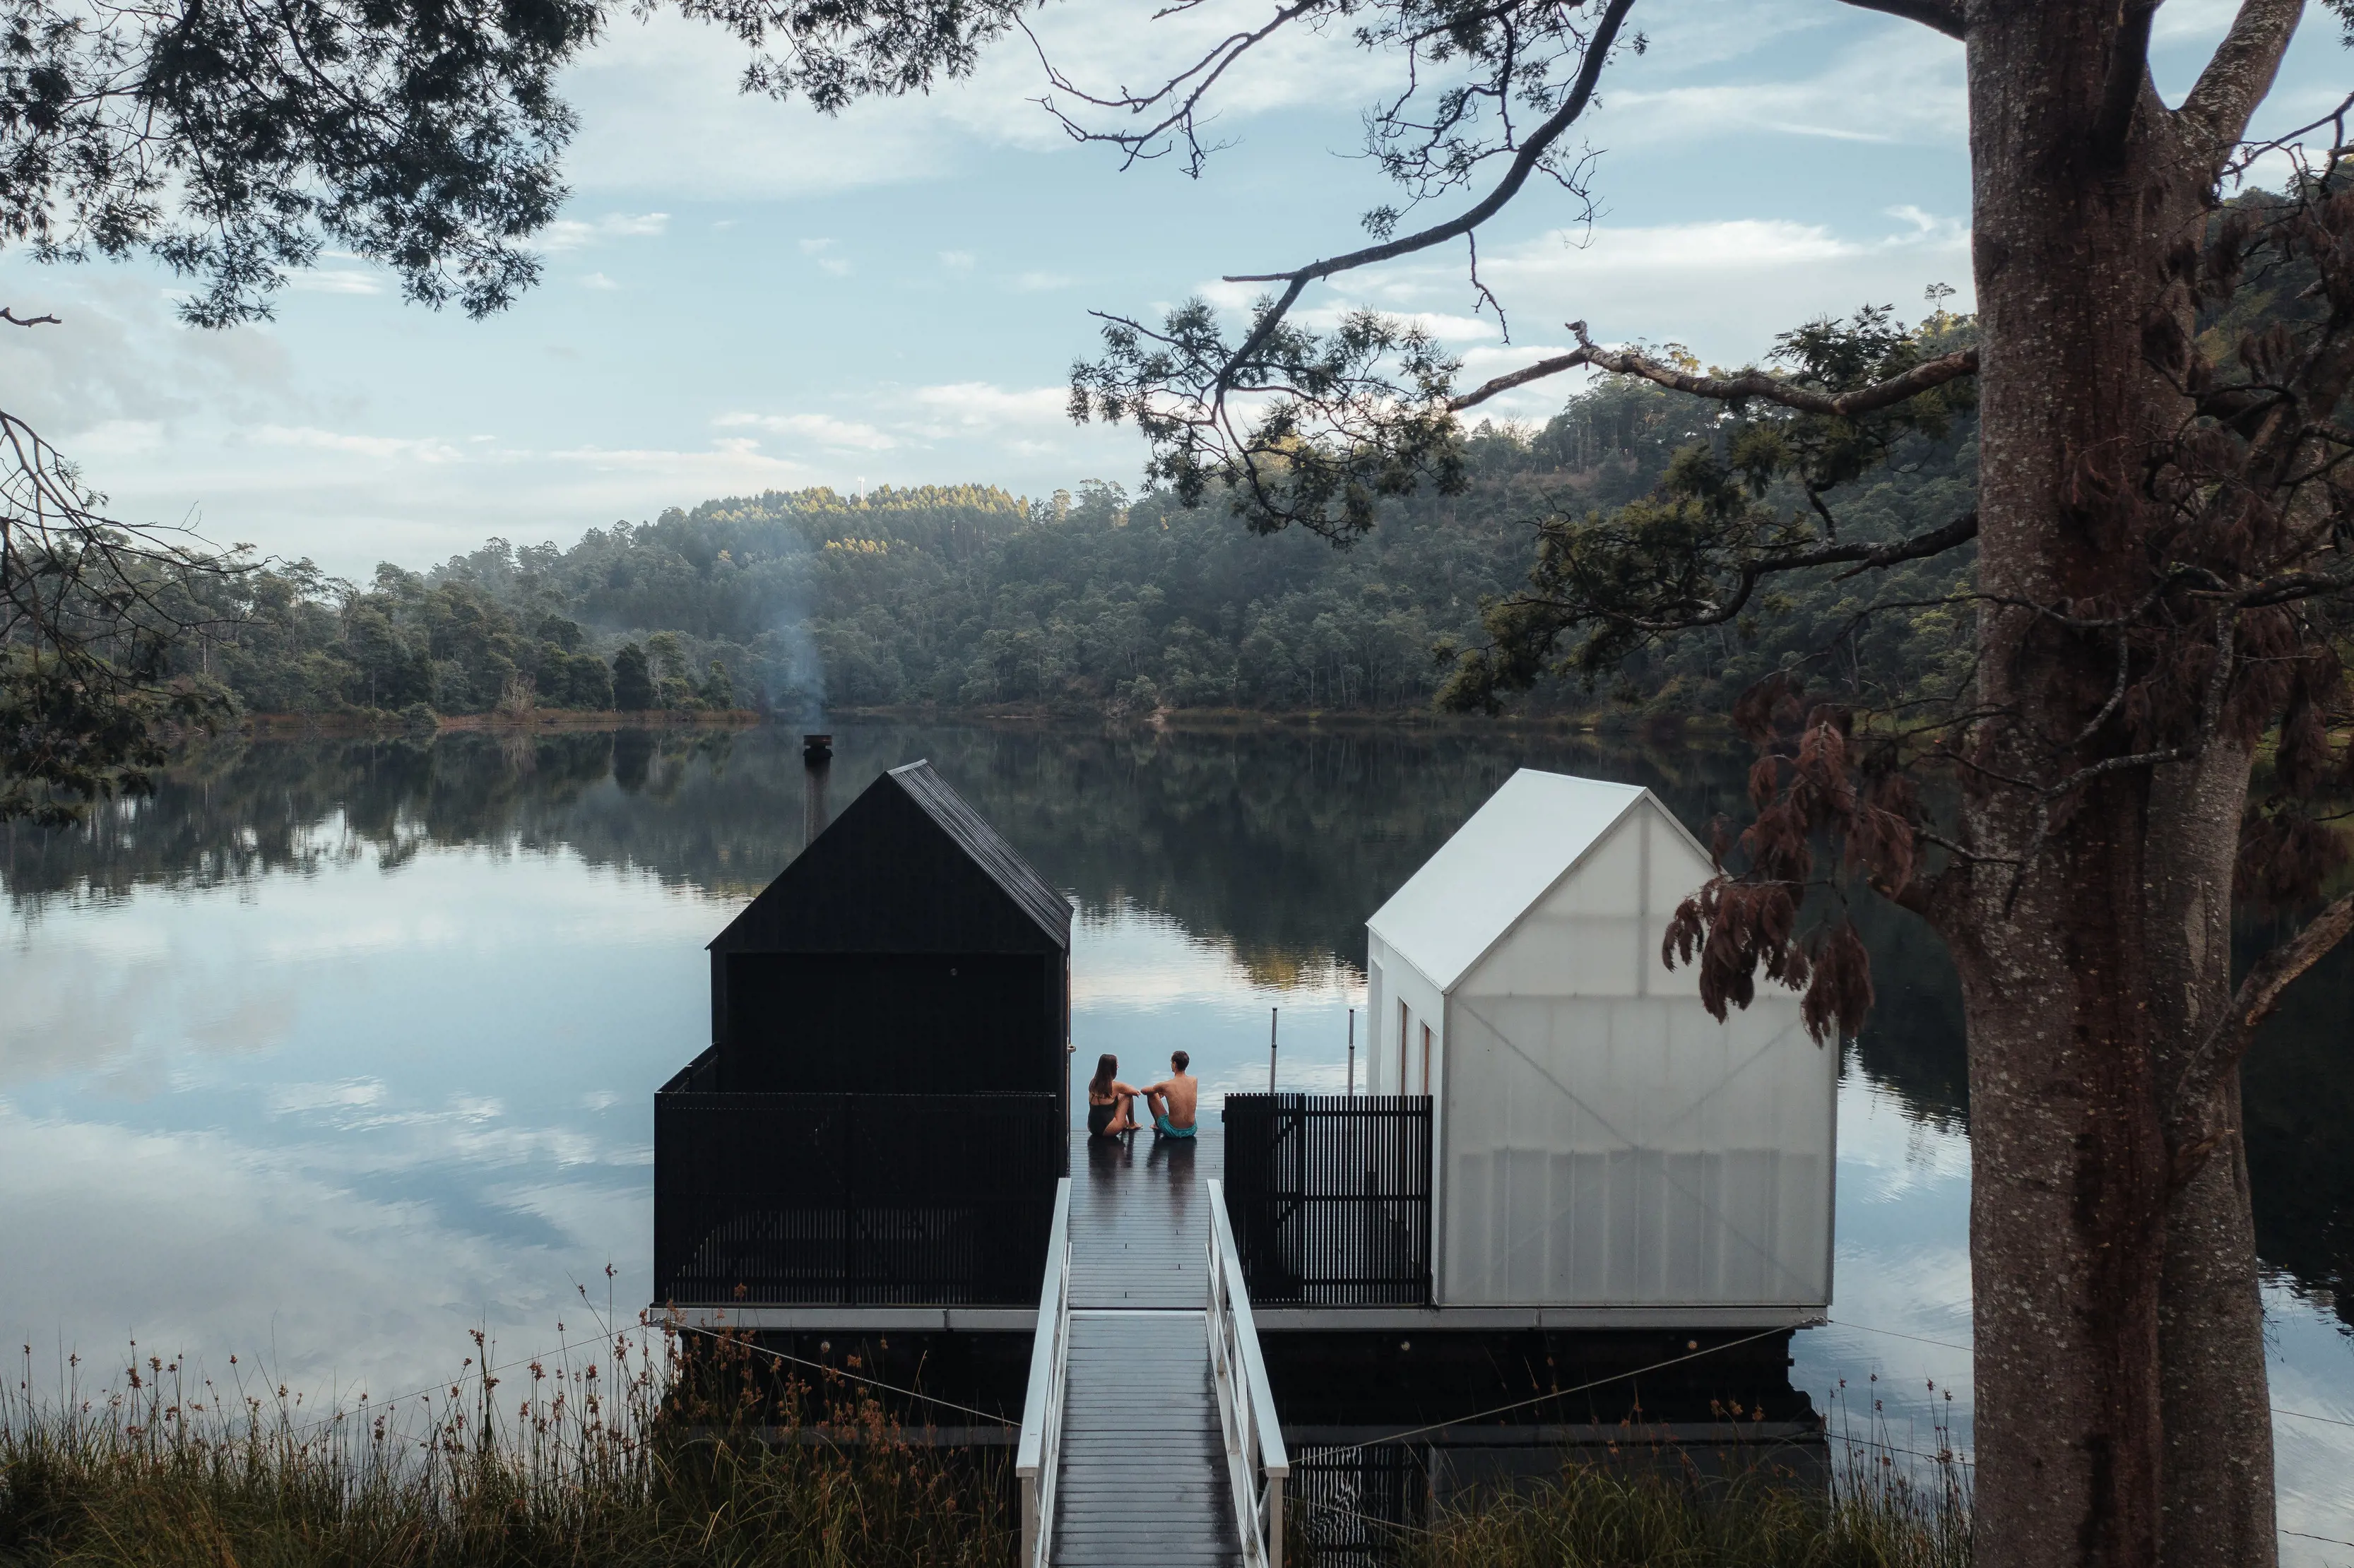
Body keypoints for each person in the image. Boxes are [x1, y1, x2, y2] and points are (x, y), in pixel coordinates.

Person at [1140, 1051, 1198, 1139]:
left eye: (1171, 1062)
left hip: (1173, 1131)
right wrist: (1164, 1092)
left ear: (1174, 1064)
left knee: (1152, 1094)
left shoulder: (1166, 1085)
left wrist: (1158, 1091)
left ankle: (1157, 1125)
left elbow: (1144, 1091)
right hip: (1192, 1129)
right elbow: (1181, 1092)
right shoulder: (1194, 1080)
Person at [1085, 1053, 1143, 1138]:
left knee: (1117, 1097)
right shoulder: (1116, 1086)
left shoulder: (1093, 1082)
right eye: (1116, 1065)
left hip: (1092, 1128)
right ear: (1112, 1068)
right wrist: (1128, 1088)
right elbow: (1136, 1092)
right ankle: (1132, 1124)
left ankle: (1126, 1123)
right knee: (1127, 1096)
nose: (1118, 1067)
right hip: (1109, 1129)